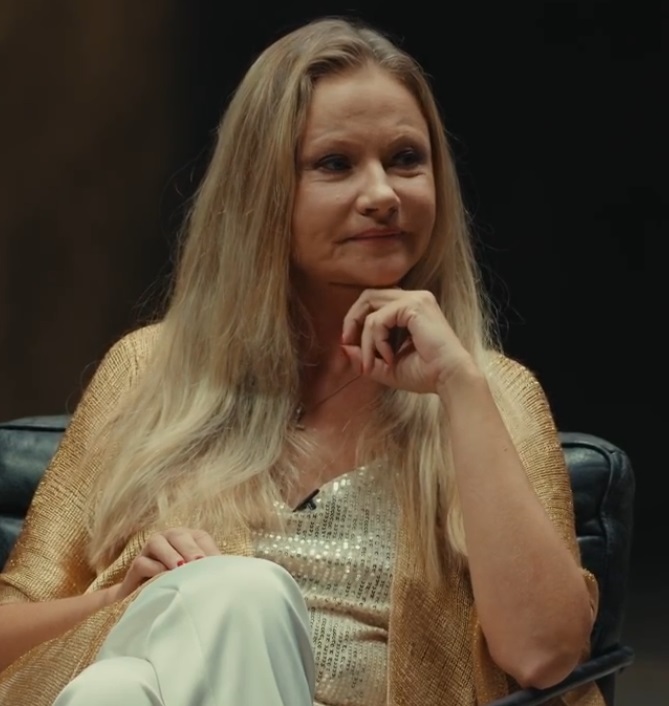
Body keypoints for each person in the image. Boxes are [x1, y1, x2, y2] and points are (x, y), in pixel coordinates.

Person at [0, 16, 602, 706]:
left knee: (172, 646)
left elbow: (544, 655)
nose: (382, 194)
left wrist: (459, 386)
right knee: (129, 676)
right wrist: (127, 601)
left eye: (406, 159)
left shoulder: (490, 392)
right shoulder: (147, 374)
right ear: (260, 190)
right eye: (335, 164)